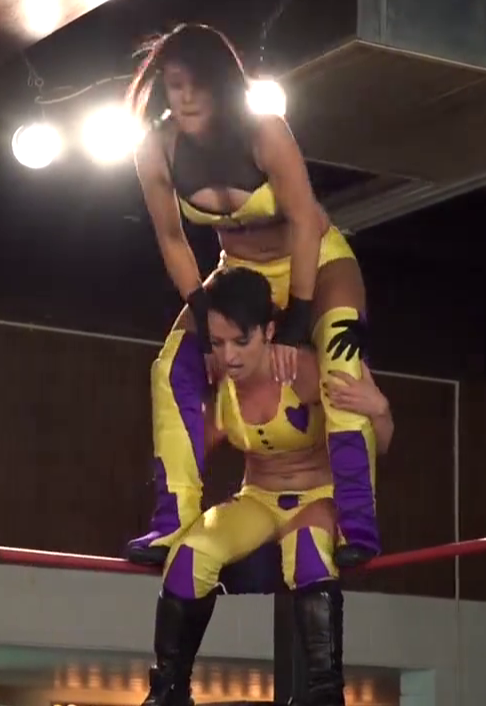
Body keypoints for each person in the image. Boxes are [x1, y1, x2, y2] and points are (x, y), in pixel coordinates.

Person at [125, 23, 380, 571]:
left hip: (316, 260)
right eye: (174, 85)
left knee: (340, 362)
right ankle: (173, 520)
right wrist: (202, 317)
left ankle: (356, 521)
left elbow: (305, 222)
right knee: (170, 367)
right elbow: (172, 239)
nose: (185, 97)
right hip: (238, 274)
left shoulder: (264, 132)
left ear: (222, 85)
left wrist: (297, 322)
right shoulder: (156, 148)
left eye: (197, 84)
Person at [142, 267, 394, 706]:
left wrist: (380, 409)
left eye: (241, 341)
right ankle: (169, 690)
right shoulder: (220, 384)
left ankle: (325, 695)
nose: (229, 355)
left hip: (318, 496)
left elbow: (378, 443)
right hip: (256, 498)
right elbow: (191, 447)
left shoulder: (304, 369)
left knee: (309, 555)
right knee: (188, 556)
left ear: (268, 331)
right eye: (218, 342)